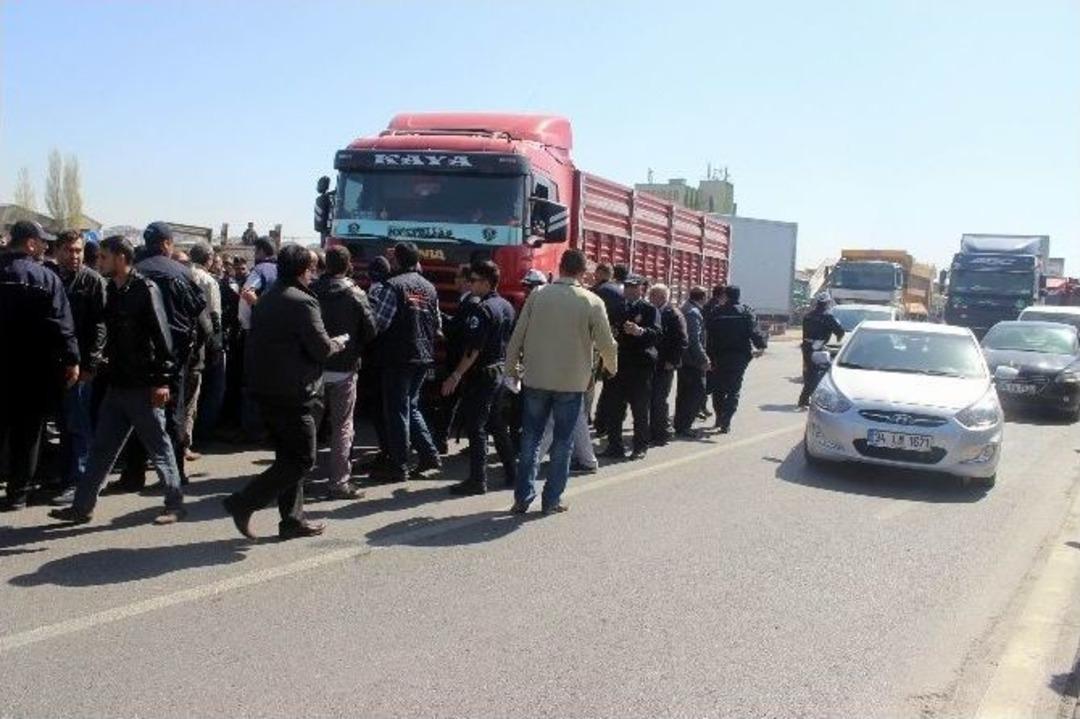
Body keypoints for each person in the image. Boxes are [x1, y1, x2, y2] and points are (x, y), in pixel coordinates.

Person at [49, 235, 185, 525]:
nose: (99, 262)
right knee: (101, 449)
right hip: (117, 385)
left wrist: (161, 381)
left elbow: (163, 339)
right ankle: (81, 507)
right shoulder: (112, 290)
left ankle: (174, 504)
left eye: (104, 257)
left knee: (159, 448)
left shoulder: (145, 289)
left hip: (143, 386)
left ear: (121, 258)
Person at [222, 244, 344, 540]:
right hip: (296, 393)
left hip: (267, 389)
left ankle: (292, 520)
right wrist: (337, 343)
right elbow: (320, 347)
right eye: (313, 268)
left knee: (287, 457)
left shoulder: (267, 298)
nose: (315, 273)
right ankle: (244, 501)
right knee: (303, 459)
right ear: (304, 270)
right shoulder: (302, 302)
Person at [505, 249, 617, 515]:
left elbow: (517, 335)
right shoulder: (591, 301)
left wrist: (511, 369)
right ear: (582, 272)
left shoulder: (538, 295)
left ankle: (522, 498)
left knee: (530, 439)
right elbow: (606, 343)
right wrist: (611, 368)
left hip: (536, 377)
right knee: (563, 442)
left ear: (561, 266)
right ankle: (551, 499)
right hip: (572, 381)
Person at [106, 222, 206, 493]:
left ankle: (133, 474)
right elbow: (201, 317)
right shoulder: (183, 273)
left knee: (139, 417)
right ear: (166, 243)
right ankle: (176, 477)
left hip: (135, 359)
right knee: (171, 417)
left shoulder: (132, 272)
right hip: (173, 358)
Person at [0, 221, 80, 511]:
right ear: (30, 243)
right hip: (33, 369)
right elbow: (62, 325)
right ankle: (18, 493)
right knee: (28, 431)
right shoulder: (45, 278)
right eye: (42, 242)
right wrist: (72, 360)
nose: (46, 247)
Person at [367, 242, 442, 483]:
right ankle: (429, 455)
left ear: (397, 261)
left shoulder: (393, 286)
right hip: (423, 354)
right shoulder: (429, 287)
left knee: (397, 410)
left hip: (398, 355)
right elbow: (437, 324)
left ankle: (399, 465)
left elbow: (379, 323)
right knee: (411, 406)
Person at [441, 260, 516, 496]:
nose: (469, 284)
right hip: (499, 372)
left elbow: (473, 350)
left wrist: (455, 375)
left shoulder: (482, 309)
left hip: (482, 375)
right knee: (496, 424)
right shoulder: (506, 306)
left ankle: (477, 479)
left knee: (476, 426)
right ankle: (513, 472)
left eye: (473, 280)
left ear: (485, 282)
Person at [312, 245, 376, 500]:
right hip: (345, 368)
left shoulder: (311, 290)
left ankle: (297, 480)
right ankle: (338, 483)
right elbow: (371, 330)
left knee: (310, 428)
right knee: (342, 427)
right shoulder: (357, 294)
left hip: (314, 367)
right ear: (349, 264)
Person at [50, 231, 108, 505]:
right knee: (62, 423)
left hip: (82, 365)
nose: (74, 256)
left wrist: (91, 363)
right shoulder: (51, 277)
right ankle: (64, 475)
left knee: (79, 423)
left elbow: (100, 326)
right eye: (69, 250)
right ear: (57, 251)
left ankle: (80, 481)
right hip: (56, 363)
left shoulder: (92, 280)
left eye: (78, 250)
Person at [602, 275, 661, 461]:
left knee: (640, 409)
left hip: (640, 366)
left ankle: (640, 446)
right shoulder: (616, 308)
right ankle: (614, 446)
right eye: (627, 286)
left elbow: (657, 334)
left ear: (641, 289)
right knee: (614, 408)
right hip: (619, 365)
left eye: (633, 287)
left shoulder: (649, 309)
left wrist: (639, 331)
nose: (629, 290)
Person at [705, 285, 767, 433]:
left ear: (726, 295)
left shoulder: (717, 312)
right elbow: (754, 331)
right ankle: (726, 420)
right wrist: (761, 346)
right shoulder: (746, 312)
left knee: (718, 388)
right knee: (733, 389)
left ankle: (720, 417)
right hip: (739, 357)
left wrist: (708, 355)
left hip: (718, 356)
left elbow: (708, 335)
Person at [433, 264, 478, 455]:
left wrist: (439, 317)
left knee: (450, 402)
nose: (455, 281)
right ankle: (440, 440)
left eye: (458, 277)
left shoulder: (471, 303)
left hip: (459, 361)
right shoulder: (467, 301)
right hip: (458, 360)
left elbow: (460, 331)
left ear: (468, 281)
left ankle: (441, 441)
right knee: (451, 402)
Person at [237, 239, 278, 439]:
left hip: (257, 332)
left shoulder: (260, 270)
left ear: (260, 251)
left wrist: (246, 324)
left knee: (252, 381)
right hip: (279, 334)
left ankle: (253, 429)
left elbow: (247, 294)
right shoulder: (283, 271)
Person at [186, 242, 224, 454]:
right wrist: (217, 345)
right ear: (208, 259)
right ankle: (194, 439)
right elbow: (214, 316)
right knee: (202, 392)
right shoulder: (209, 281)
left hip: (182, 340)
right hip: (203, 343)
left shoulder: (181, 274)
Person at [358, 256, 393, 470]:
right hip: (389, 357)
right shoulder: (388, 289)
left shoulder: (374, 292)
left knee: (379, 407)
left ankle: (387, 452)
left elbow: (373, 328)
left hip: (376, 358)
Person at [649, 283, 688, 447]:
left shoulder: (673, 314)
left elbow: (682, 341)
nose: (650, 298)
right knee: (652, 399)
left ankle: (662, 433)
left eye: (653, 295)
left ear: (662, 297)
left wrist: (672, 361)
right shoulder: (653, 312)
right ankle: (654, 430)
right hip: (653, 363)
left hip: (665, 364)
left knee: (659, 399)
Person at [592, 263, 628, 434]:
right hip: (617, 342)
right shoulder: (621, 291)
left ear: (601, 273)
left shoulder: (598, 291)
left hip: (597, 343)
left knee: (589, 384)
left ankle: (595, 420)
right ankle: (604, 421)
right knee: (610, 385)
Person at [673, 286, 711, 437]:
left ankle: (680, 424)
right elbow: (694, 341)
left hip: (685, 359)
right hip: (692, 361)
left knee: (684, 393)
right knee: (696, 393)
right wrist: (704, 359)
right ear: (703, 297)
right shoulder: (693, 313)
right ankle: (684, 425)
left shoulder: (685, 308)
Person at [797, 292, 846, 407]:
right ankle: (807, 399)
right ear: (827, 303)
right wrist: (838, 338)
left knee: (809, 372)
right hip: (818, 348)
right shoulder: (827, 316)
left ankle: (805, 399)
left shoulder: (808, 316)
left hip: (806, 347)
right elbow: (840, 332)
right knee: (819, 374)